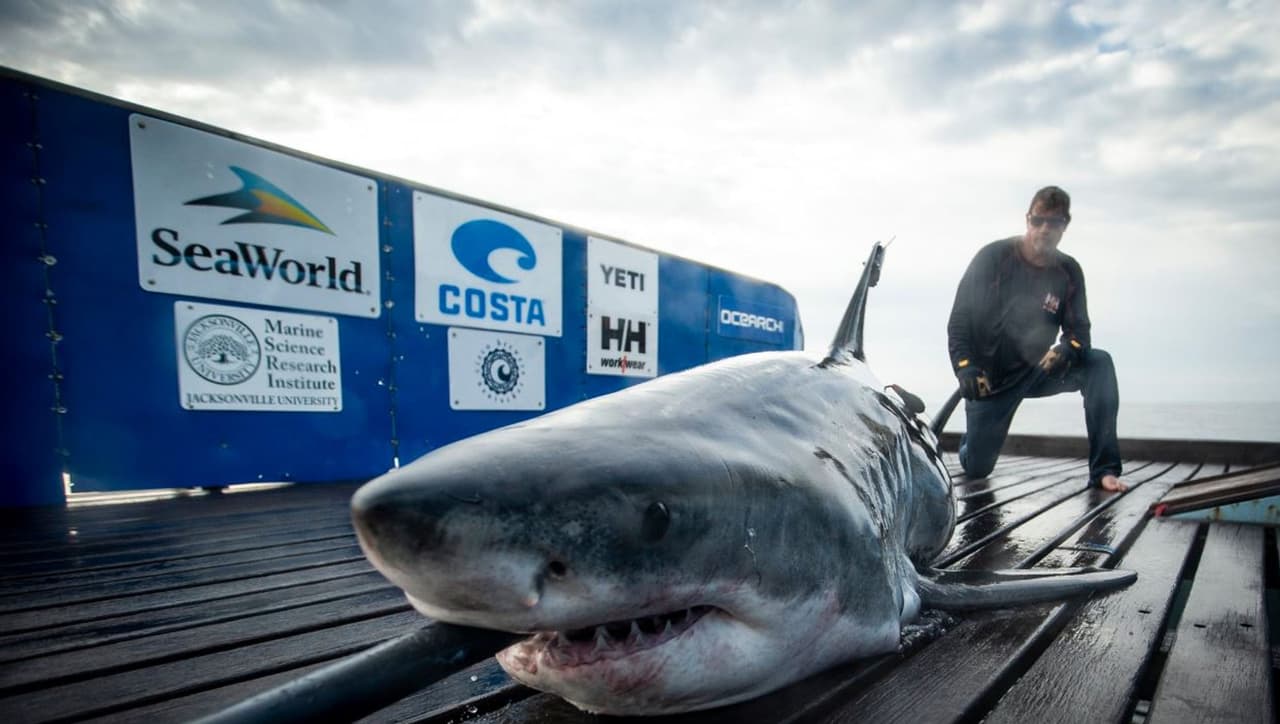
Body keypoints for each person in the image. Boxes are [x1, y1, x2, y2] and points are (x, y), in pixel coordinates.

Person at [946, 186, 1127, 492]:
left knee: (1099, 364)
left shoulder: (1068, 271)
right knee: (977, 468)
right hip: (991, 383)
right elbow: (959, 322)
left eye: (1054, 223)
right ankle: (972, 440)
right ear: (1028, 220)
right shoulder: (993, 258)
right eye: (1038, 220)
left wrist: (1068, 349)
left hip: (1038, 371)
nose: (1044, 228)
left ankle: (1104, 470)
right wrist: (965, 367)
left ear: (1064, 226)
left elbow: (1079, 331)